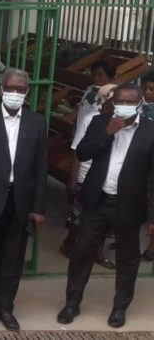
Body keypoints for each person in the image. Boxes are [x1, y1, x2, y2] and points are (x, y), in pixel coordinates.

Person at [57, 83, 154, 329]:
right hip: (97, 202)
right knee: (82, 253)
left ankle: (120, 307)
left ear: (140, 104)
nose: (123, 105)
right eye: (119, 100)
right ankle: (72, 303)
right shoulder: (100, 122)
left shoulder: (150, 131)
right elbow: (82, 153)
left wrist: (152, 217)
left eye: (130, 102)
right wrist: (107, 132)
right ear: (113, 101)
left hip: (129, 206)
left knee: (127, 259)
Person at [0, 68, 47, 332]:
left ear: (28, 92)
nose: (15, 93)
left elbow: (40, 167)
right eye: (10, 88)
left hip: (21, 201)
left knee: (14, 258)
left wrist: (38, 207)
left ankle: (6, 307)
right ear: (1, 90)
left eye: (21, 89)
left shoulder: (37, 122)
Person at [62, 61, 117, 269]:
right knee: (78, 218)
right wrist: (73, 178)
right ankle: (70, 246)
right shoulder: (91, 118)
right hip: (87, 174)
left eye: (100, 75)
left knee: (101, 221)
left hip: (106, 178)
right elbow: (77, 150)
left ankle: (97, 253)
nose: (96, 80)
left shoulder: (121, 123)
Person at [140, 72, 154, 262]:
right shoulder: (140, 107)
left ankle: (151, 248)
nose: (148, 93)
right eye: (146, 88)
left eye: (152, 90)